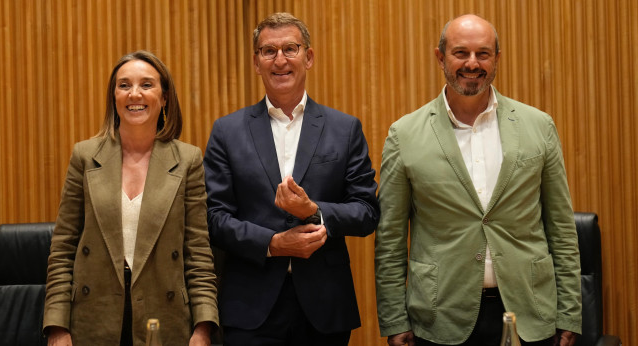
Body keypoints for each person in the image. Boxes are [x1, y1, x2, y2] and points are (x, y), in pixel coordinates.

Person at [375, 14, 581, 346]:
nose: (473, 63)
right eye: (461, 53)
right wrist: (394, 320)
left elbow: (560, 227)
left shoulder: (539, 126)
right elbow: (390, 240)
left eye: (483, 53)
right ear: (440, 57)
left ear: (497, 59)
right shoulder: (405, 135)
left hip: (530, 311)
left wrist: (570, 313)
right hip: (440, 315)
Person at [204, 12, 380, 346]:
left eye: (291, 48)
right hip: (250, 308)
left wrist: (314, 210)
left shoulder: (344, 129)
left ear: (309, 57)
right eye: (268, 51)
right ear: (256, 62)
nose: (280, 60)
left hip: (325, 308)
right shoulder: (227, 131)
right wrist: (272, 244)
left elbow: (366, 211)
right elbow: (214, 218)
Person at [43, 50, 219, 346]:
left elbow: (198, 253)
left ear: (164, 98)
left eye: (146, 84)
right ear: (114, 97)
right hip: (93, 317)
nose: (134, 94)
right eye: (124, 85)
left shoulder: (188, 160)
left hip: (164, 317)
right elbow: (62, 249)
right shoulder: (85, 157)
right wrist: (57, 327)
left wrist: (203, 328)